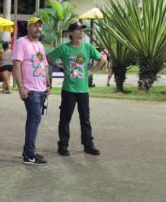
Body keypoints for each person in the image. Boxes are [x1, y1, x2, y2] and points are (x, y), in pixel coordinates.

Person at [47, 21, 107, 156]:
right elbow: (49, 58)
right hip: (68, 90)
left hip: (83, 90)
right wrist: (61, 67)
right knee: (65, 119)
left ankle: (88, 146)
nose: (81, 31)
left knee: (85, 119)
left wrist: (92, 71)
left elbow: (103, 59)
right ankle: (62, 146)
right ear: (71, 33)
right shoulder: (65, 48)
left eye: (82, 29)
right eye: (78, 29)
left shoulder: (87, 47)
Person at [12, 17, 50, 165]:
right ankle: (29, 155)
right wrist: (21, 87)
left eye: (40, 26)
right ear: (28, 27)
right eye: (35, 26)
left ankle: (28, 150)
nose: (38, 29)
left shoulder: (40, 45)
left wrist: (48, 84)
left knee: (35, 121)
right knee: (34, 120)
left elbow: (44, 66)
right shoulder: (22, 43)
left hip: (41, 90)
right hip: (31, 90)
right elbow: (16, 66)